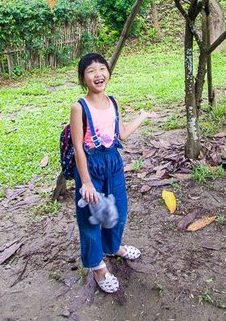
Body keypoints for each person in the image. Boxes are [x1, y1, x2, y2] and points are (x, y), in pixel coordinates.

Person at [69, 52, 155, 294]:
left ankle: (113, 246)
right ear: (83, 78)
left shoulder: (113, 101)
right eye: (91, 71)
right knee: (91, 218)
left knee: (117, 210)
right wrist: (85, 182)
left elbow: (122, 134)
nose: (98, 74)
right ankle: (97, 266)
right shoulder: (79, 108)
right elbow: (78, 147)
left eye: (101, 68)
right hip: (90, 166)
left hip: (113, 163)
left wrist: (143, 116)